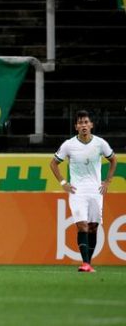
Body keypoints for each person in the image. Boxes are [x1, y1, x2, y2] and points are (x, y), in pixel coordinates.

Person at [50, 110, 117, 272]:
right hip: (77, 192)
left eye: (86, 122)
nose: (84, 125)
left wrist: (108, 181)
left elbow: (113, 159)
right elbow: (53, 163)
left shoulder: (100, 143)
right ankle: (85, 263)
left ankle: (89, 263)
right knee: (82, 226)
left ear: (91, 125)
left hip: (96, 191)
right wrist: (63, 182)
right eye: (80, 123)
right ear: (76, 127)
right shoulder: (68, 145)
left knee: (93, 227)